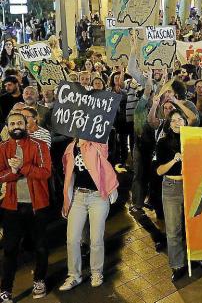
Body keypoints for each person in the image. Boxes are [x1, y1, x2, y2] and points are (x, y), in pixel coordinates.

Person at [0, 113, 51, 302]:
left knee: (41, 247)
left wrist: (23, 167)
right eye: (12, 123)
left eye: (19, 122)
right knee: (10, 249)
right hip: (12, 207)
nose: (16, 126)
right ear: (7, 127)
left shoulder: (40, 145)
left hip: (37, 206)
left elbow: (46, 172)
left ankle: (39, 280)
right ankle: (5, 289)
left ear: (26, 124)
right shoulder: (3, 148)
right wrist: (12, 172)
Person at [59, 139, 119, 291]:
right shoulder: (70, 148)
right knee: (72, 239)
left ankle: (96, 272)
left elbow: (104, 151)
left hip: (98, 197)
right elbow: (68, 175)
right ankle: (74, 275)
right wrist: (67, 199)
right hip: (78, 196)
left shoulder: (98, 144)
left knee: (96, 238)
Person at [156, 110, 190, 281]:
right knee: (173, 229)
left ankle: (196, 258)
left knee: (193, 226)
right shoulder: (162, 143)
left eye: (180, 119)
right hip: (171, 186)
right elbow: (159, 170)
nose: (177, 123)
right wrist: (175, 160)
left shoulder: (193, 139)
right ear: (169, 124)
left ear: (186, 121)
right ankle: (177, 265)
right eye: (173, 120)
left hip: (191, 186)